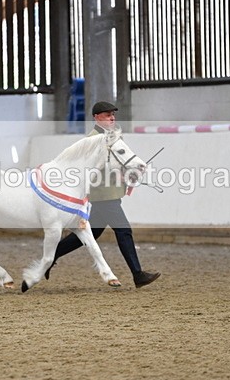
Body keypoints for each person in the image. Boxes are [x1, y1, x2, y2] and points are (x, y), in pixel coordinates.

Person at [45, 101, 161, 288]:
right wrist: (118, 176)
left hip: (109, 194)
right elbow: (92, 168)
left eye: (113, 114)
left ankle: (50, 256)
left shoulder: (113, 137)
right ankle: (138, 275)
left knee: (89, 234)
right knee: (124, 231)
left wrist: (130, 174)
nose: (112, 117)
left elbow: (120, 162)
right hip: (102, 196)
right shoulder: (93, 140)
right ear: (96, 117)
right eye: (107, 115)